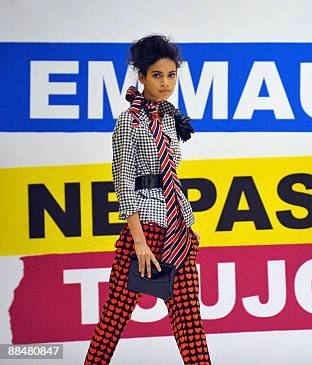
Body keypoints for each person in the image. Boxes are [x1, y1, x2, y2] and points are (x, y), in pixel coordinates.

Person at [84, 35, 212, 365]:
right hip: (145, 230)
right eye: (157, 75)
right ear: (141, 77)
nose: (166, 83)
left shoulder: (169, 117)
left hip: (175, 228)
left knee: (190, 324)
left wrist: (184, 222)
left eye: (171, 75)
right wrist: (139, 243)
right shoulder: (129, 120)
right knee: (113, 321)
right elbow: (123, 183)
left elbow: (172, 174)